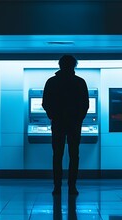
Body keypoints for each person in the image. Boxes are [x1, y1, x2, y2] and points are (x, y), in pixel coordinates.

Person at [42, 55, 89, 195]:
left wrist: (53, 117)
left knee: (57, 155)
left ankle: (57, 187)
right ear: (74, 65)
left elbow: (45, 103)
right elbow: (85, 104)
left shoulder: (51, 82)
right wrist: (78, 119)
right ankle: (72, 186)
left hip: (58, 124)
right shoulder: (80, 82)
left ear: (59, 65)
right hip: (74, 124)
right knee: (74, 155)